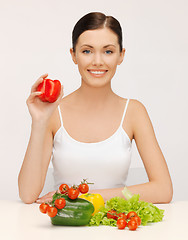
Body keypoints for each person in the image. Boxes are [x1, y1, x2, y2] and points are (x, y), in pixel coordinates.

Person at [18, 12, 173, 204]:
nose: (97, 61)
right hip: (64, 226)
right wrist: (39, 122)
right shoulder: (54, 112)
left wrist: (88, 197)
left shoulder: (134, 112)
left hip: (116, 228)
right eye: (87, 51)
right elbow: (27, 195)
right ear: (73, 55)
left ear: (121, 55)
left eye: (108, 51)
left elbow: (163, 190)